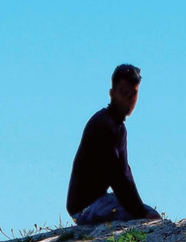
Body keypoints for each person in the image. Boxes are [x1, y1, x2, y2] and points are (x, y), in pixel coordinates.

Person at [67, 64, 162, 226]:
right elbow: (117, 175)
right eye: (124, 93)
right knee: (149, 219)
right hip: (86, 208)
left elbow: (125, 172)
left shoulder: (118, 128)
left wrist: (140, 209)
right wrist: (140, 212)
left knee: (150, 215)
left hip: (98, 202)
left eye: (133, 94)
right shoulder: (104, 125)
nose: (128, 99)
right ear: (112, 94)